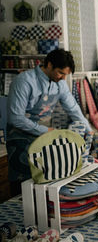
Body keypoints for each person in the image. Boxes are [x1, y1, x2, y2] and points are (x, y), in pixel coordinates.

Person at [6, 49, 91, 194]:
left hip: (43, 134)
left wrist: (88, 128)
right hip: (20, 134)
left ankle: (42, 210)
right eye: (60, 73)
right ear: (49, 65)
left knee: (43, 177)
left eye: (66, 74)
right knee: (23, 180)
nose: (63, 78)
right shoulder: (24, 81)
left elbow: (73, 108)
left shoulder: (60, 84)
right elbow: (16, 118)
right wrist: (45, 131)